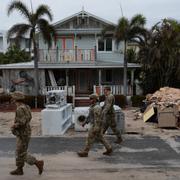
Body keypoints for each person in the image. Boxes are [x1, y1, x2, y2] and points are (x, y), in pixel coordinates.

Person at [10, 91, 44, 175]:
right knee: (19, 151)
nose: (12, 99)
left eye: (13, 97)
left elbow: (22, 122)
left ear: (16, 99)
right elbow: (29, 117)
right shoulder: (26, 106)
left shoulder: (19, 109)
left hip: (22, 133)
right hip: (26, 132)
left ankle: (37, 163)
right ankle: (19, 169)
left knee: (21, 153)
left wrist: (14, 126)